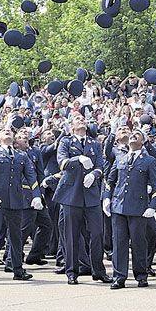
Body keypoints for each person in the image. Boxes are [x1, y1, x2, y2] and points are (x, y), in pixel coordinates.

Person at [0, 128, 42, 282]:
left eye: (10, 131)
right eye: (3, 131)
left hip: (15, 200)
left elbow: (31, 177)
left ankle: (17, 269)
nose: (7, 131)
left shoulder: (21, 155)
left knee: (16, 236)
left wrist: (37, 195)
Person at [54, 116, 110, 284]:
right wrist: (77, 159)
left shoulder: (95, 144)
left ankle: (98, 270)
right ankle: (72, 271)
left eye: (82, 119)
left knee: (97, 233)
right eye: (77, 119)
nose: (81, 120)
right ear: (72, 126)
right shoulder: (66, 142)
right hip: (71, 193)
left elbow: (100, 166)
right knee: (71, 235)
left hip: (91, 194)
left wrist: (94, 174)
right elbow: (62, 163)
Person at [104, 130, 156, 289]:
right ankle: (119, 277)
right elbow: (110, 180)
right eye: (132, 134)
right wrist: (107, 198)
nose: (133, 135)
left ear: (143, 141)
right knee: (119, 244)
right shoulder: (120, 158)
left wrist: (153, 206)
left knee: (139, 243)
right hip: (118, 207)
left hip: (138, 208)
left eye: (138, 134)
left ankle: (141, 275)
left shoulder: (149, 161)